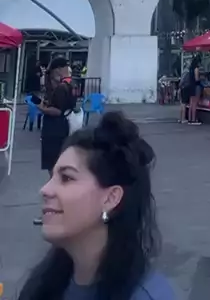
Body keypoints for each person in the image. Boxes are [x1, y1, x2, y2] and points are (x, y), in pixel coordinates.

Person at [18, 111, 174, 300]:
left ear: (110, 198)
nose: (45, 190)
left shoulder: (145, 295)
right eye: (52, 177)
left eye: (66, 178)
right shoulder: (48, 281)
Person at [33, 57, 76, 225]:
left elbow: (56, 111)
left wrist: (42, 108)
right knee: (59, 171)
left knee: (54, 173)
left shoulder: (61, 88)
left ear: (57, 69)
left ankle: (54, 210)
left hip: (54, 131)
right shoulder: (70, 85)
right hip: (63, 130)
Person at [188, 55, 202, 125]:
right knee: (194, 103)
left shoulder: (190, 69)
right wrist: (201, 78)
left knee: (191, 103)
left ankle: (190, 119)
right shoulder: (196, 69)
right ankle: (193, 119)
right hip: (196, 86)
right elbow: (197, 79)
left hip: (191, 86)